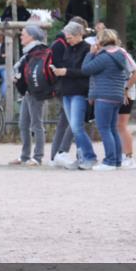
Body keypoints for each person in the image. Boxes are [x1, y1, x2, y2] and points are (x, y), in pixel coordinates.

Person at [49, 21, 97, 170]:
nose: (67, 41)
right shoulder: (68, 49)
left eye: (69, 38)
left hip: (79, 92)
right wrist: (60, 71)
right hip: (67, 91)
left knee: (76, 127)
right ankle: (82, 156)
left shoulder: (87, 50)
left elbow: (85, 71)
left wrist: (66, 72)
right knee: (76, 128)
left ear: (79, 35)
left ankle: (90, 156)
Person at [81, 29, 128, 171]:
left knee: (104, 129)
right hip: (116, 96)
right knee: (112, 129)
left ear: (101, 41)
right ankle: (117, 160)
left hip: (104, 97)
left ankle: (109, 161)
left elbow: (85, 69)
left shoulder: (103, 57)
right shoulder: (120, 54)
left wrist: (90, 54)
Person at [9, 24, 49, 166]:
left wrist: (19, 79)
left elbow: (33, 72)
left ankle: (38, 157)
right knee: (23, 124)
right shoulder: (29, 51)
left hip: (36, 92)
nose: (21, 36)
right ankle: (25, 155)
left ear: (31, 36)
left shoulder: (37, 51)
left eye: (23, 34)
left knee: (36, 124)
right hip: (28, 92)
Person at [115, 36, 136, 170]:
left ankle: (129, 157)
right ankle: (119, 155)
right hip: (115, 93)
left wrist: (126, 88)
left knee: (121, 125)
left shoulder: (122, 54)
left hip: (126, 93)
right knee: (116, 126)